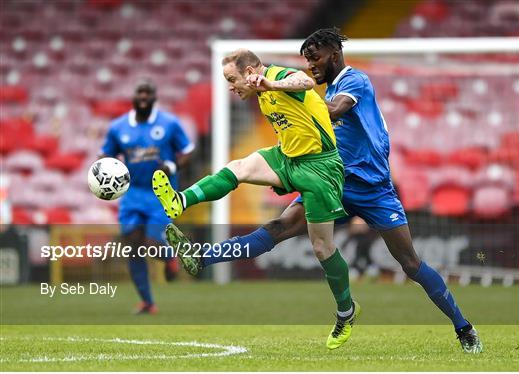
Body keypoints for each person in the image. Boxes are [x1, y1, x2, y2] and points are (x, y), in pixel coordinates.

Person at [164, 29, 483, 354]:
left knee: (410, 263)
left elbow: (333, 109)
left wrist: (285, 90)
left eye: (315, 58)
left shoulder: (354, 81)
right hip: (330, 181)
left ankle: (463, 326)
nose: (310, 65)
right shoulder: (318, 89)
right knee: (278, 229)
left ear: (334, 53)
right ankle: (201, 257)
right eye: (306, 60)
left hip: (373, 188)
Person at [152, 48, 359, 350]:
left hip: (321, 167)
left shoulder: (276, 78)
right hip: (288, 157)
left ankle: (346, 311)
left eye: (232, 79)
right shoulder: (260, 94)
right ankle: (180, 200)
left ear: (251, 72)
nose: (230, 87)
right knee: (238, 167)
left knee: (322, 247)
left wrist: (271, 84)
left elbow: (305, 82)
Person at [100, 78, 194, 314]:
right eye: (139, 92)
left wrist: (172, 167)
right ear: (133, 97)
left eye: (148, 93)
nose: (143, 97)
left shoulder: (170, 124)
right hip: (132, 192)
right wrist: (102, 172)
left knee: (151, 243)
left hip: (160, 193)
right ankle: (147, 302)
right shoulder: (118, 127)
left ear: (154, 97)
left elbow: (188, 151)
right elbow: (106, 156)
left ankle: (170, 257)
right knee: (133, 246)